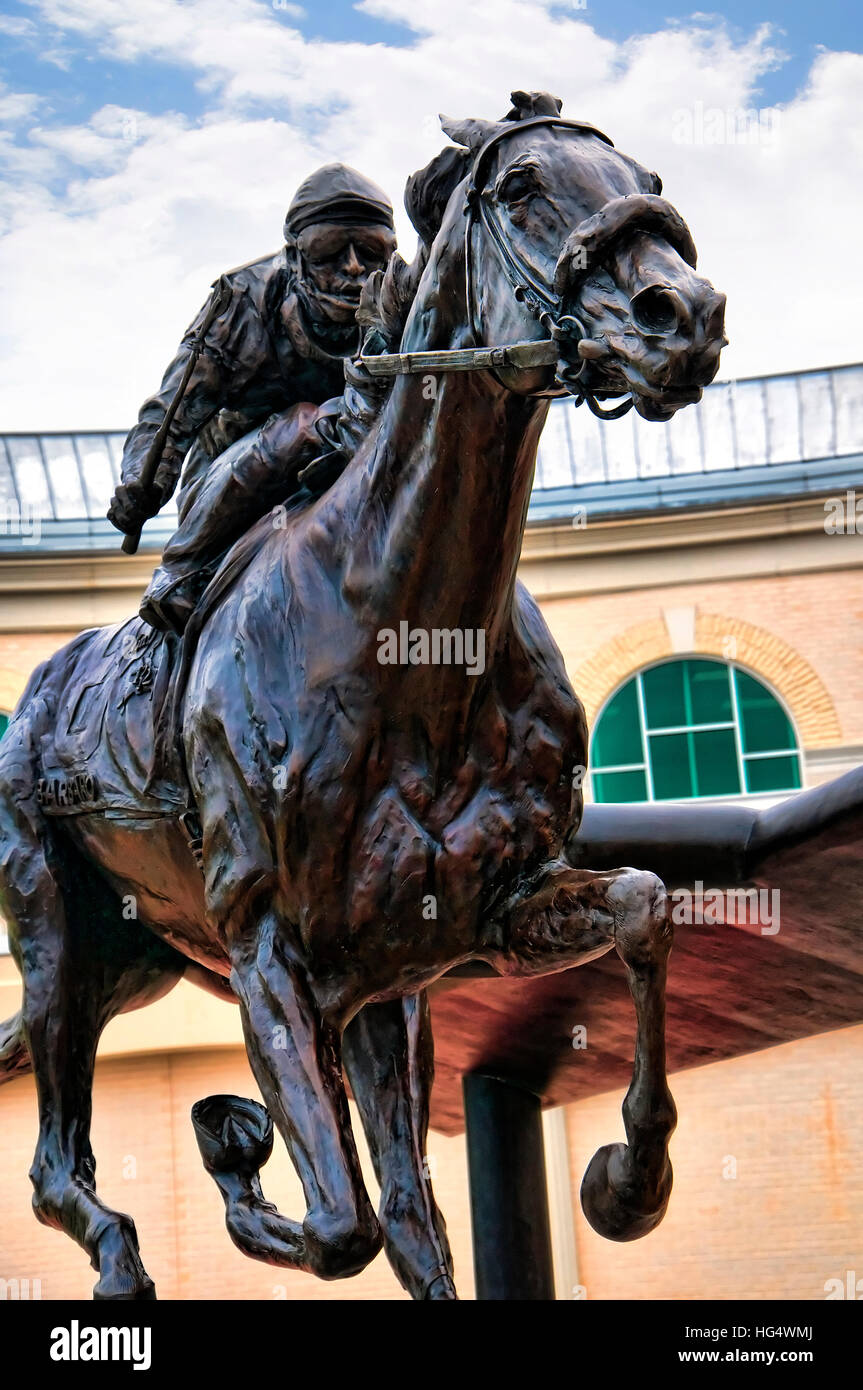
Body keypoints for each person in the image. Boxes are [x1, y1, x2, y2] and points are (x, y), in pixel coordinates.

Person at [108, 163, 397, 632]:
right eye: (328, 252)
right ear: (295, 256)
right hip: (235, 480)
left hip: (359, 458)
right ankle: (183, 570)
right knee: (304, 422)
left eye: (369, 251)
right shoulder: (240, 303)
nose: (352, 267)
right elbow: (170, 416)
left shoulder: (403, 302)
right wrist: (142, 484)